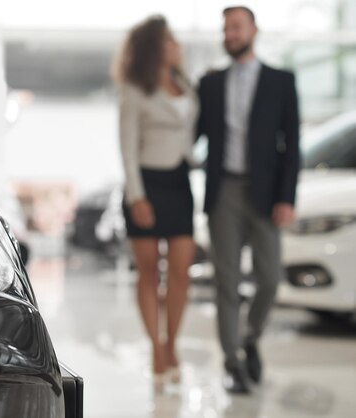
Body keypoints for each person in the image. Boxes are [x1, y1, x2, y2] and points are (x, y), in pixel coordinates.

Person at [196, 6, 300, 394]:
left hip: (266, 193)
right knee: (227, 282)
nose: (231, 34)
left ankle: (251, 337)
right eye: (226, 29)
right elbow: (191, 133)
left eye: (237, 27)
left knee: (271, 278)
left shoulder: (281, 81)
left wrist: (287, 197)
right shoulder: (210, 83)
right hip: (223, 191)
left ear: (254, 30)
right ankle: (232, 362)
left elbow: (292, 145)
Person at [113, 16, 197, 391]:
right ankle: (156, 351)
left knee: (180, 273)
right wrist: (137, 197)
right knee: (149, 273)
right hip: (147, 185)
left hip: (180, 184)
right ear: (155, 46)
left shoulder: (187, 86)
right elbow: (127, 151)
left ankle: (171, 343)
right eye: (169, 40)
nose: (176, 44)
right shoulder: (134, 90)